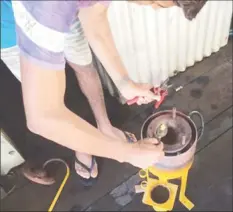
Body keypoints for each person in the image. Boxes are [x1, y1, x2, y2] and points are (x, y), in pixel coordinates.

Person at [1, 0, 206, 186]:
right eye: (156, 4)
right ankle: (82, 147)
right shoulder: (50, 8)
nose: (151, 8)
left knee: (85, 67)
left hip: (65, 11)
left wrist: (124, 82)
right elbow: (42, 117)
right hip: (12, 28)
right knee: (50, 98)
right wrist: (125, 153)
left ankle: (104, 126)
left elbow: (95, 16)